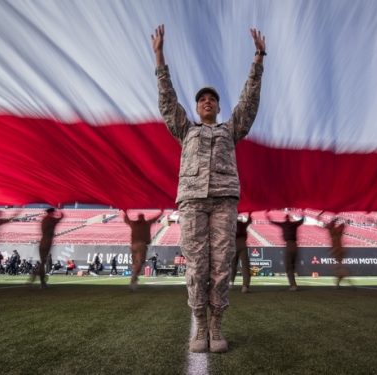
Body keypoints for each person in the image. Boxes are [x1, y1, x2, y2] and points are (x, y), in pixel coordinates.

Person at [153, 24, 266, 353]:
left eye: (211, 99)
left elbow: (249, 101)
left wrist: (258, 59)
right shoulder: (185, 129)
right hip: (191, 202)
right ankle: (199, 324)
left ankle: (216, 326)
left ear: (218, 107)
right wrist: (159, 57)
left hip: (223, 201)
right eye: (202, 98)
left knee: (221, 265)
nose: (206, 101)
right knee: (196, 264)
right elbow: (166, 100)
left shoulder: (231, 129)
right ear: (197, 106)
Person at [123, 210, 162, 289]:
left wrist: (124, 211)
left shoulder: (134, 223)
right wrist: (161, 211)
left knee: (135, 263)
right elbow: (155, 218)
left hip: (133, 245)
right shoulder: (146, 223)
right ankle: (134, 278)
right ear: (143, 218)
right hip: (141, 245)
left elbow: (126, 219)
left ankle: (134, 277)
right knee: (140, 262)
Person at [268, 212, 304, 291]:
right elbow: (302, 220)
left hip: (289, 245)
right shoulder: (294, 224)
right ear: (290, 218)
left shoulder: (283, 224)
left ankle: (293, 285)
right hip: (295, 245)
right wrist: (302, 213)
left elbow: (272, 222)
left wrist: (267, 215)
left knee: (289, 267)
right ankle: (294, 284)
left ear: (285, 219)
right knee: (293, 266)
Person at [29, 208, 64, 288]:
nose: (54, 214)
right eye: (53, 212)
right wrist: (60, 210)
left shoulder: (44, 219)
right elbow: (60, 218)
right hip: (47, 242)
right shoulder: (50, 219)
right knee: (43, 263)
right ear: (51, 212)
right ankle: (36, 278)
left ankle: (40, 281)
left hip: (42, 241)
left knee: (43, 262)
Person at [231, 213, 253, 293]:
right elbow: (250, 220)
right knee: (245, 266)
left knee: (233, 265)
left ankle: (230, 283)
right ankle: (245, 286)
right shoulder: (243, 224)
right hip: (243, 243)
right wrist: (250, 212)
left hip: (233, 244)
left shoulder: (231, 224)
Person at [324, 218, 349, 288]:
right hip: (339, 250)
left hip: (337, 250)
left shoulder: (332, 230)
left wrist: (335, 220)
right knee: (339, 266)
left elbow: (329, 226)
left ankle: (340, 278)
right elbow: (342, 225)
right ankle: (340, 279)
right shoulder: (336, 230)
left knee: (338, 267)